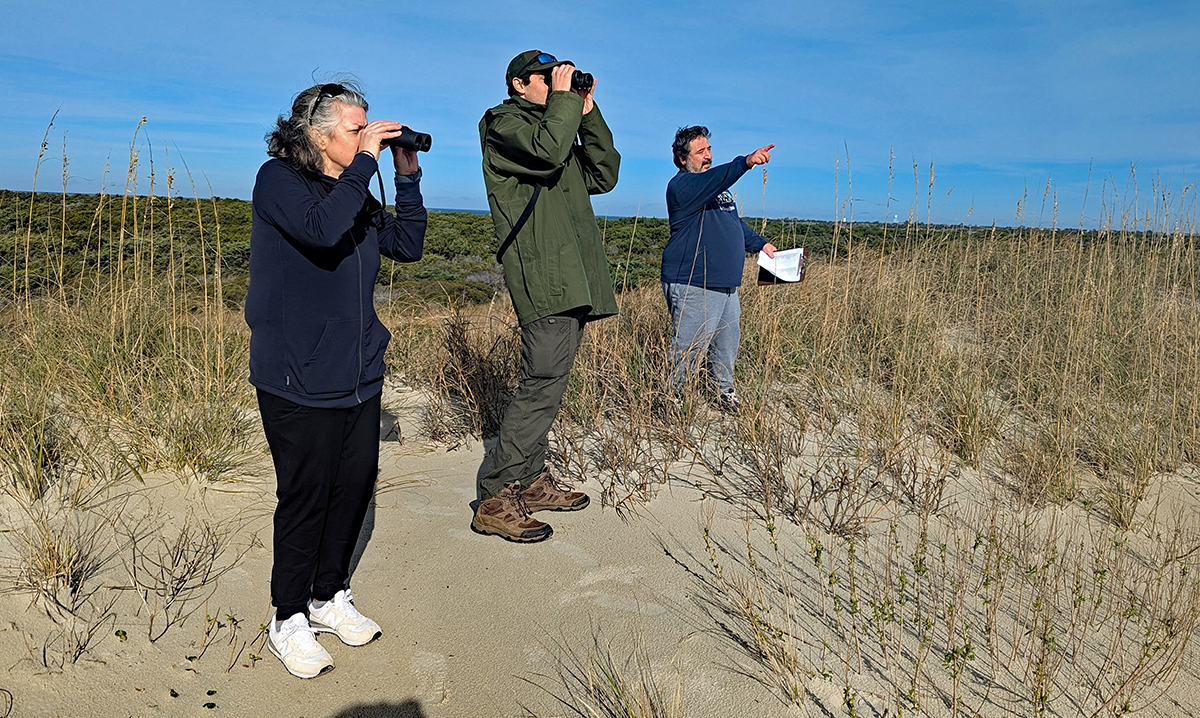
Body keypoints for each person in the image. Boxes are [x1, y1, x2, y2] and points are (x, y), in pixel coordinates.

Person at [245, 80, 427, 678]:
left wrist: (404, 176)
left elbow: (407, 244)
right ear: (317, 135)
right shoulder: (279, 180)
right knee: (306, 494)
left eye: (368, 126)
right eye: (356, 128)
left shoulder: (356, 192)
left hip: (358, 373)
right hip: (297, 375)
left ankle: (327, 597)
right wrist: (366, 164)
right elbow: (322, 231)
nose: (366, 135)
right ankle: (288, 616)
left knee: (353, 487)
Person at [473, 50, 620, 542]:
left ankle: (531, 481)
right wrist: (564, 104)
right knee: (541, 382)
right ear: (519, 83)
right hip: (544, 274)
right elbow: (547, 152)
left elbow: (604, 174)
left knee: (550, 382)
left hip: (572, 274)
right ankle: (496, 496)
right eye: (547, 76)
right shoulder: (503, 125)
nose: (559, 82)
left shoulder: (557, 124)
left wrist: (587, 111)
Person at [661, 126, 776, 413]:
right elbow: (717, 177)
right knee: (689, 346)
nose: (708, 156)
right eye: (700, 152)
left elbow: (733, 224)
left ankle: (723, 392)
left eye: (709, 149)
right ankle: (671, 399)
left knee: (727, 343)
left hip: (726, 284)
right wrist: (745, 162)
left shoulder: (718, 193)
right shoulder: (682, 186)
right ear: (682, 160)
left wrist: (762, 245)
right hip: (694, 281)